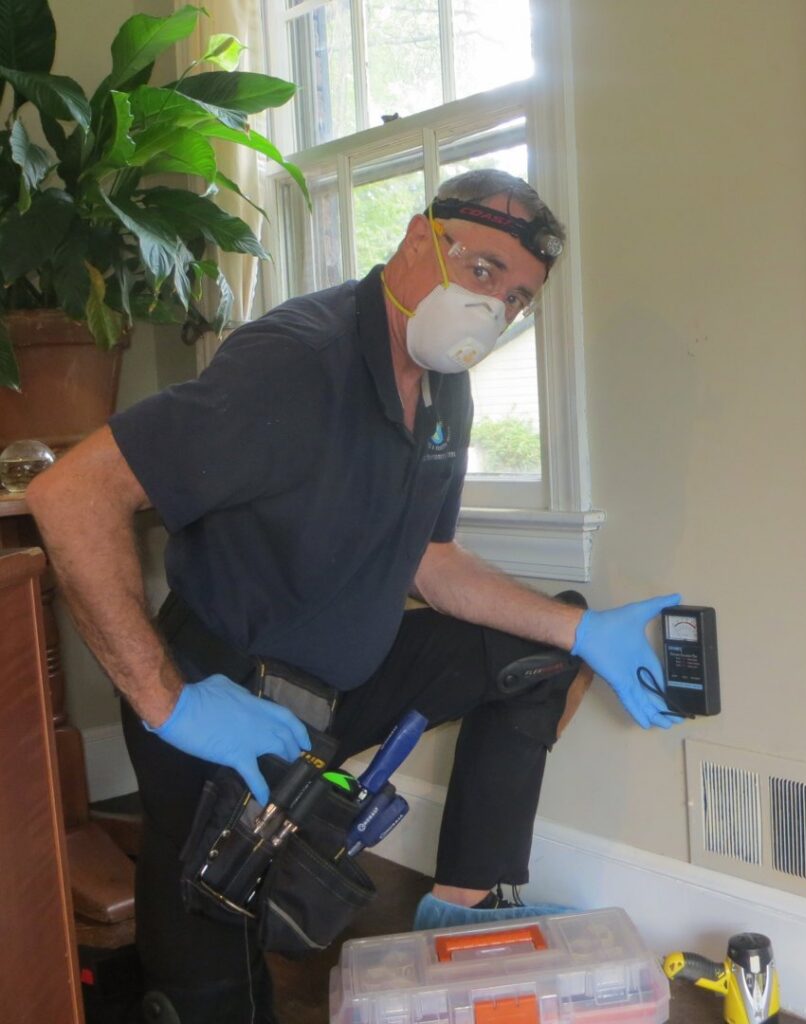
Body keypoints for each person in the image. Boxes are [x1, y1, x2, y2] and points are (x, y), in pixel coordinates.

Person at [27, 169, 681, 1024]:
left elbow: (429, 562)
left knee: (542, 653)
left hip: (344, 679)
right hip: (222, 695)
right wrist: (170, 703)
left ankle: (461, 909)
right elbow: (70, 496)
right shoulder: (296, 362)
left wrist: (582, 628)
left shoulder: (446, 388)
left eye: (517, 298)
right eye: (483, 270)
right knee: (212, 996)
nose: (494, 308)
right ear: (417, 240)